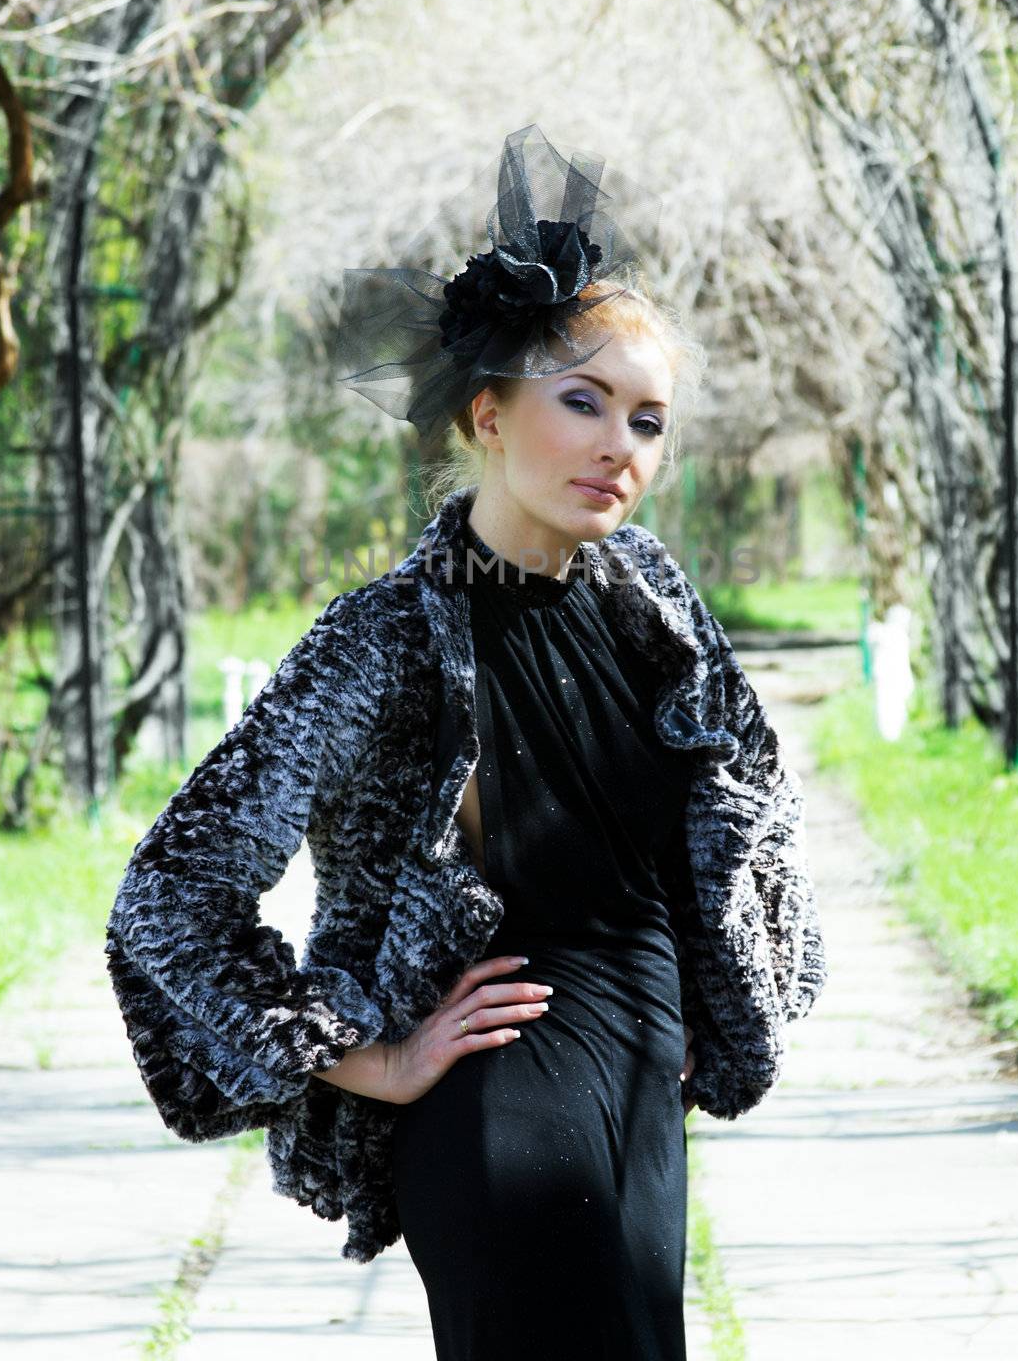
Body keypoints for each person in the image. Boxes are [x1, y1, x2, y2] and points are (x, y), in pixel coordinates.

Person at [104, 125, 827, 1357]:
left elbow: (747, 801)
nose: (619, 448)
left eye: (647, 421)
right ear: (486, 416)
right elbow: (168, 893)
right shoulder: (385, 636)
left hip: (646, 1074)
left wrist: (717, 984)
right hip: (501, 1083)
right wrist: (357, 1055)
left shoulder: (653, 605)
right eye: (583, 403)